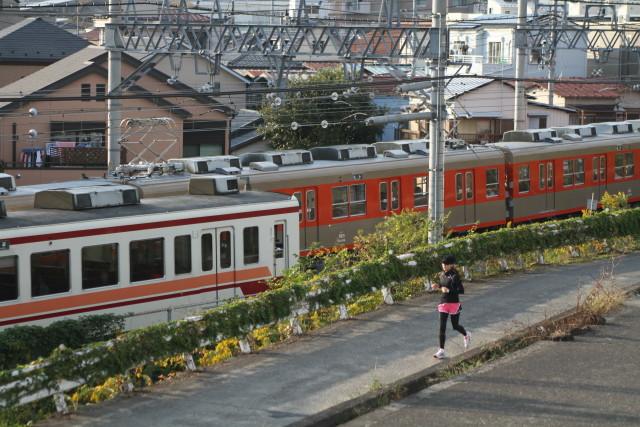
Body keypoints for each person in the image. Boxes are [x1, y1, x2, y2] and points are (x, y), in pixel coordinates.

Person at [431, 255, 470, 359]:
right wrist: (438, 286)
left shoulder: (455, 276)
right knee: (442, 327)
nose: (444, 266)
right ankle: (441, 350)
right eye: (443, 264)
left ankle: (466, 334)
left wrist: (449, 290)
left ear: (451, 265)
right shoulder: (442, 274)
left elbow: (461, 290)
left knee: (455, 326)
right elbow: (442, 285)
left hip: (453, 303)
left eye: (446, 265)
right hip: (444, 302)